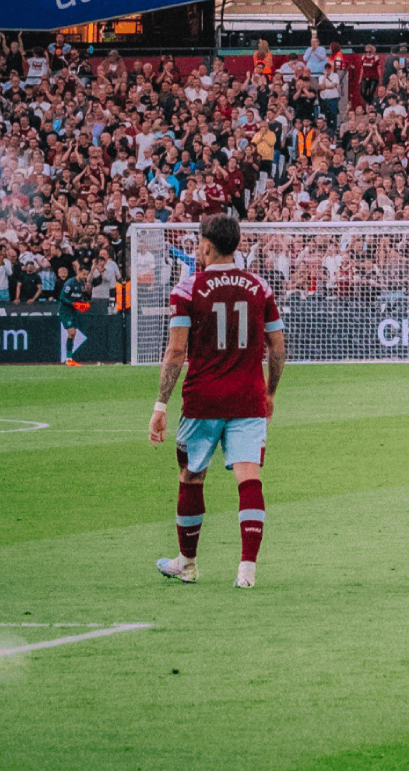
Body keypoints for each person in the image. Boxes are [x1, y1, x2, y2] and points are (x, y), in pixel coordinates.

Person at [149, 215, 286, 590]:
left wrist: (160, 406)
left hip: (202, 400)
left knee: (191, 477)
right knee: (249, 478)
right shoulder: (260, 287)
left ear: (207, 245)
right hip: (247, 398)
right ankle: (247, 569)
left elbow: (176, 353)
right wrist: (269, 392)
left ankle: (188, 564)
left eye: (198, 244)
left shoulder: (187, 289)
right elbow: (278, 348)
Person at [57, 262, 91, 365]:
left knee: (73, 334)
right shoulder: (70, 283)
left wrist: (83, 303)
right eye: (84, 274)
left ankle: (69, 358)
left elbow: (79, 298)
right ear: (79, 272)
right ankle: (68, 359)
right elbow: (62, 297)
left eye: (87, 275)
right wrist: (73, 304)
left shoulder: (81, 284)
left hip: (73, 311)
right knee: (71, 332)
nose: (85, 277)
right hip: (65, 311)